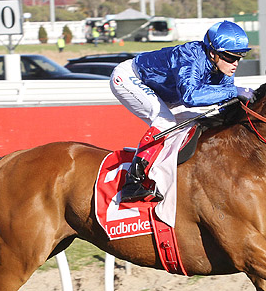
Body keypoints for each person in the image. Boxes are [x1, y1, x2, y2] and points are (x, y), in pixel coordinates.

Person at [109, 20, 256, 204]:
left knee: (194, 122)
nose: (235, 63)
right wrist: (235, 91)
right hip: (129, 78)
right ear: (212, 53)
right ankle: (133, 181)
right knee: (166, 123)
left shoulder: (224, 66)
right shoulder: (190, 57)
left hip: (165, 93)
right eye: (230, 57)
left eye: (239, 57)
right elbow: (190, 97)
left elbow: (224, 102)